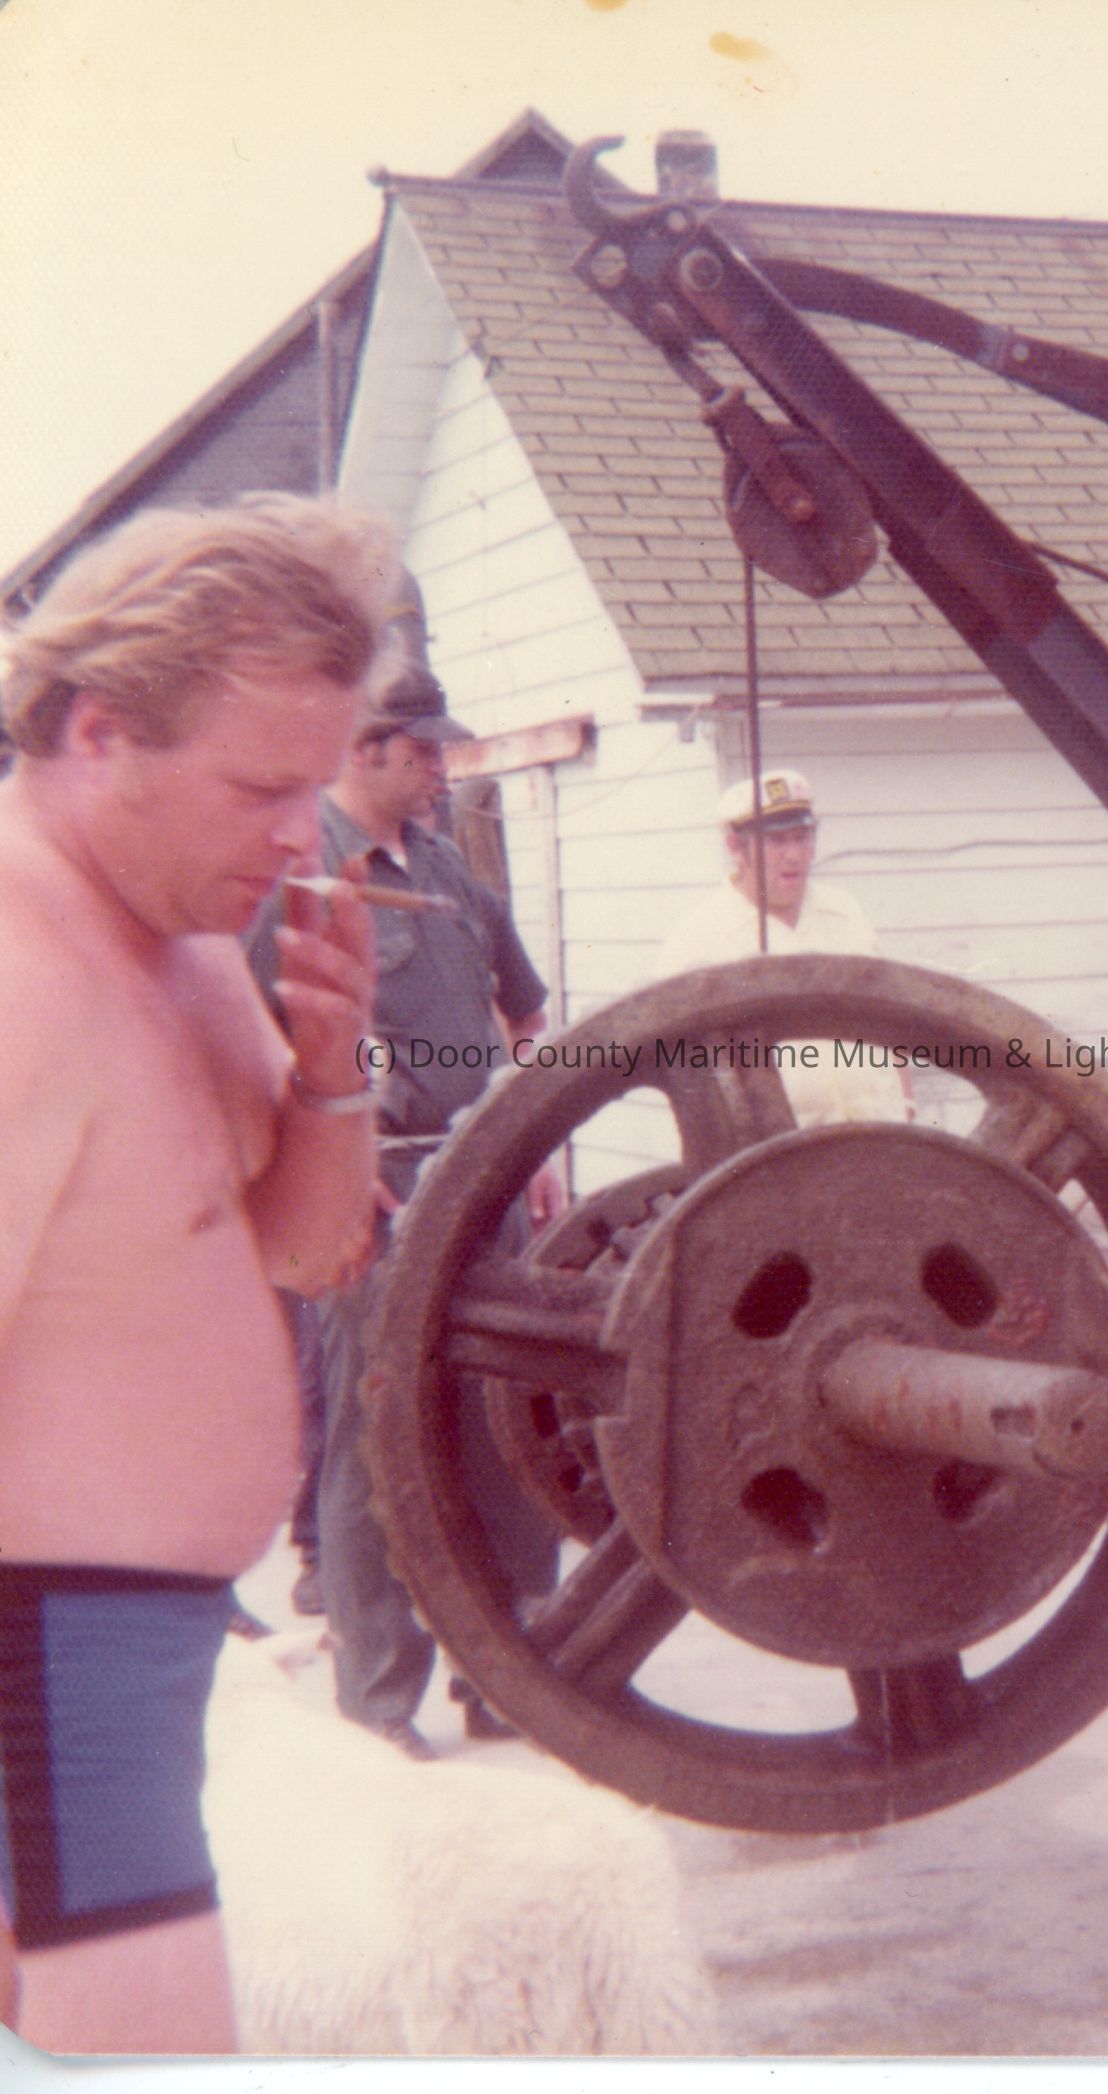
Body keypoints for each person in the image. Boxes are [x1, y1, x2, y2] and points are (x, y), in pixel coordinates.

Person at [0, 497, 391, 2053]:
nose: (306, 835)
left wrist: (334, 1070)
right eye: (263, 788)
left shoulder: (182, 938)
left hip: (127, 1655)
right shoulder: (19, 970)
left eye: (317, 784)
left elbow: (302, 1248)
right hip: (41, 1665)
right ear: (101, 733)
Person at [245, 667, 565, 1762]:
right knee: (376, 1438)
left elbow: (527, 1014)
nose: (441, 769)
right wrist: (329, 1161)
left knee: (500, 1430)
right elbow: (252, 1040)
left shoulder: (449, 870)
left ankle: (501, 1675)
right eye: (423, 751)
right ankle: (379, 1702)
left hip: (485, 1186)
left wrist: (537, 1143)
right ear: (365, 747)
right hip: (375, 1200)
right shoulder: (299, 875)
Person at [653, 768, 904, 1123]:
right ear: (735, 847)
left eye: (802, 837)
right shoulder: (699, 941)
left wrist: (908, 1103)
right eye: (777, 841)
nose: (794, 855)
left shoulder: (845, 912)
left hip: (882, 1134)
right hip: (787, 1149)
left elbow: (890, 1018)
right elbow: (682, 1075)